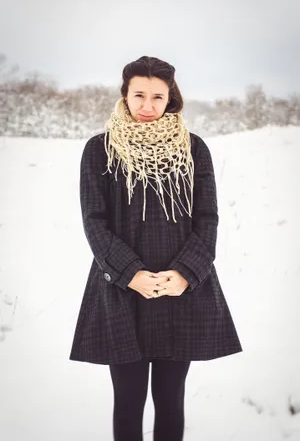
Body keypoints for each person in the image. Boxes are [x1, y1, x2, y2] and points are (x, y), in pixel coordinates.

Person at [69, 56, 242, 441]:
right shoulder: (100, 150)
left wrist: (185, 274)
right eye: (139, 95)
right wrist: (131, 274)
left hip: (180, 293)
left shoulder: (193, 149)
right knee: (128, 402)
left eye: (157, 97)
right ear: (125, 95)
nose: (147, 106)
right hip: (121, 291)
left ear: (170, 99)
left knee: (171, 401)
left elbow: (208, 219)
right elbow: (94, 222)